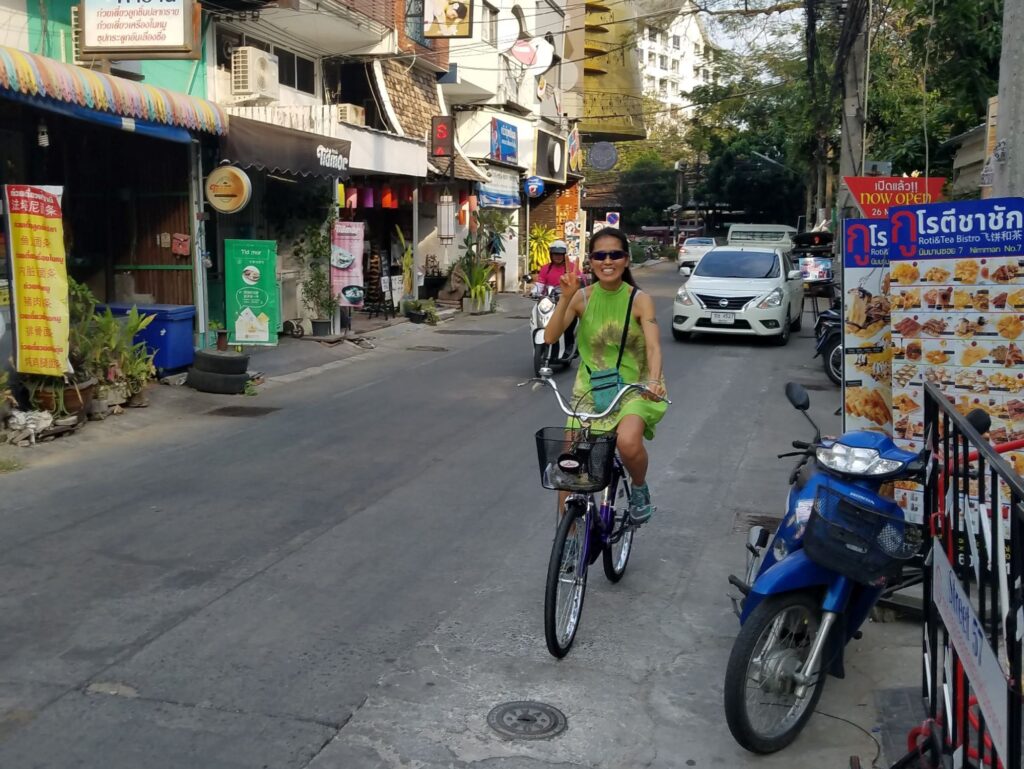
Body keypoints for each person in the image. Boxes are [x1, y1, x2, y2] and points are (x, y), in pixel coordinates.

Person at [543, 227, 667, 523]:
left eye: (615, 254)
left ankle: (639, 488)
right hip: (591, 388)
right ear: (591, 261)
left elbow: (653, 346)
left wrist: (654, 381)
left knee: (627, 442)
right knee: (569, 464)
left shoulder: (639, 300)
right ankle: (569, 541)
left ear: (626, 259)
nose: (607, 261)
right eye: (600, 255)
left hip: (636, 387)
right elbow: (550, 337)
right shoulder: (582, 298)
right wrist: (566, 297)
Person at [534, 240, 578, 354]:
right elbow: (540, 285)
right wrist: (534, 292)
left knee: (569, 321)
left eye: (560, 254)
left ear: (564, 255)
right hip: (549, 301)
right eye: (555, 254)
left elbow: (579, 281)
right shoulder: (545, 268)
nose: (558, 257)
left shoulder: (572, 268)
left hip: (567, 302)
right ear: (551, 255)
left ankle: (569, 344)